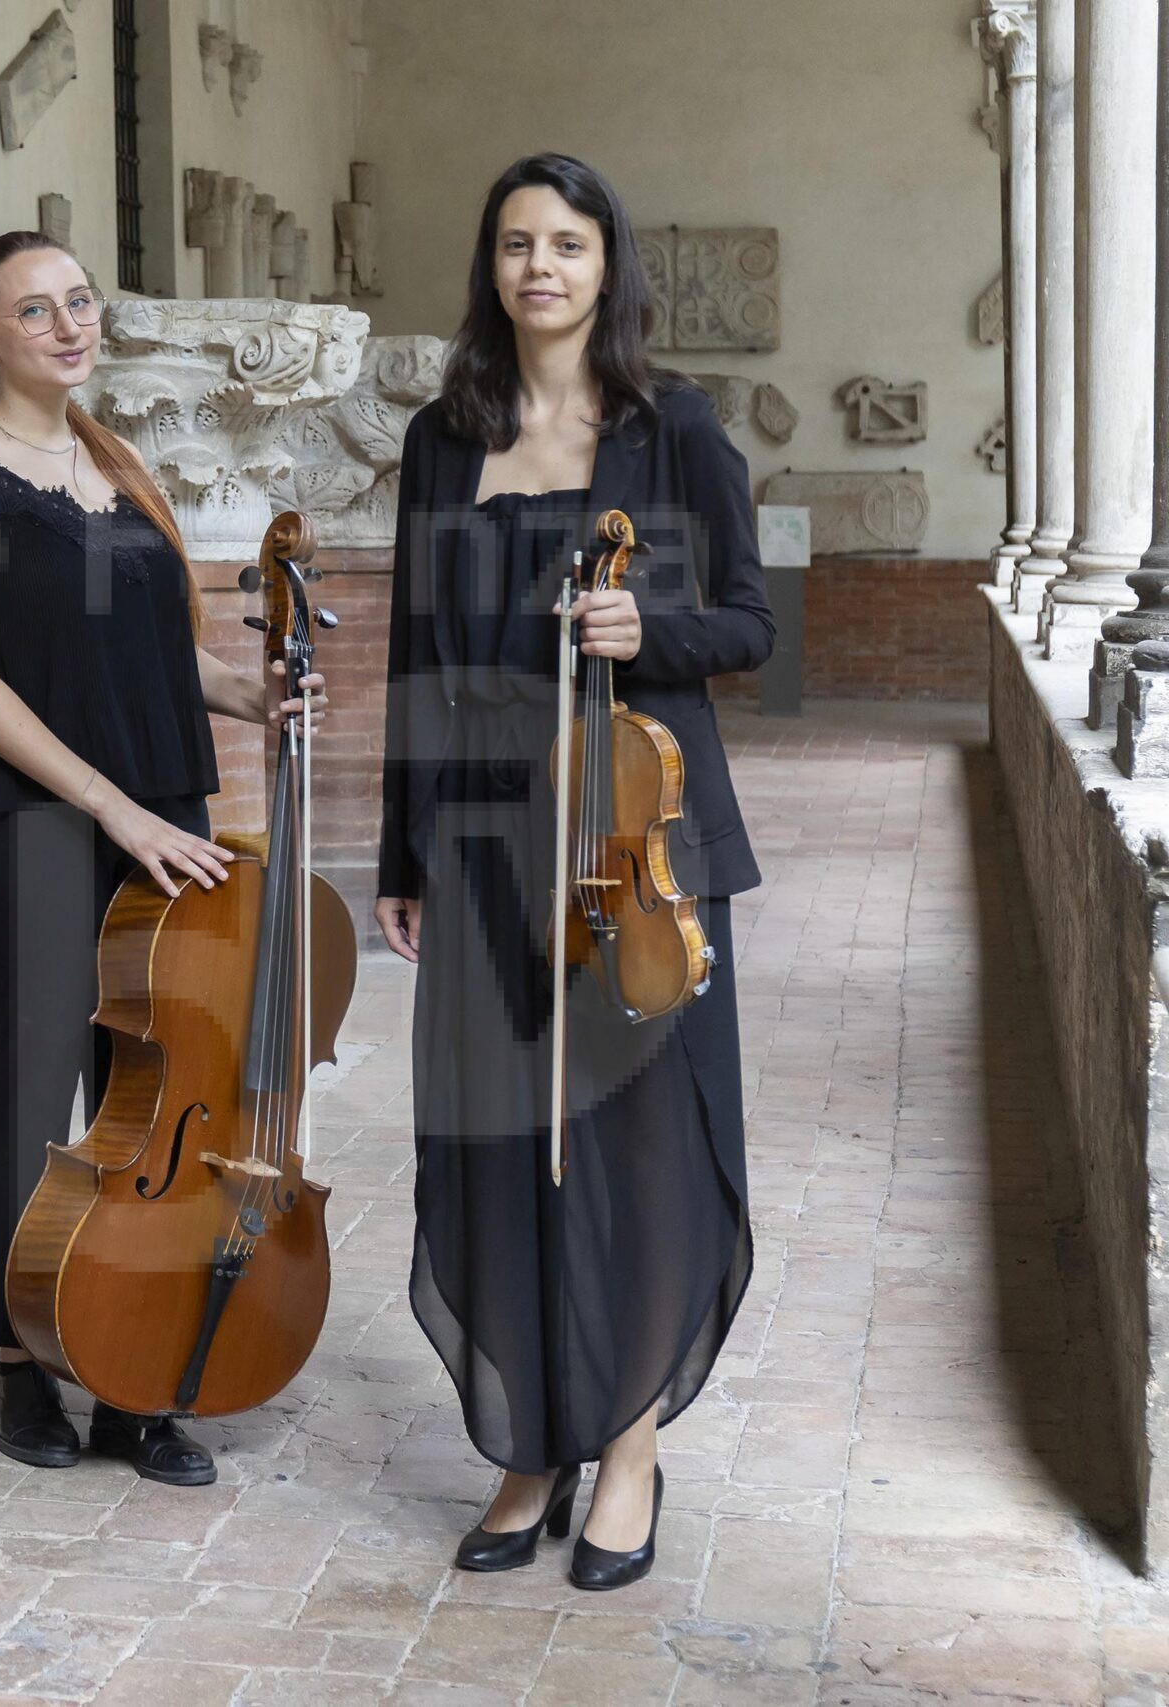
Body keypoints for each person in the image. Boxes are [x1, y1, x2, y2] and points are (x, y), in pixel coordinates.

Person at [374, 153, 771, 1590]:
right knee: (500, 1142)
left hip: (630, 835)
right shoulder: (443, 437)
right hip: (482, 835)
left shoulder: (674, 428)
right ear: (490, 266)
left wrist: (646, 636)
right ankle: (531, 1443)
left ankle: (628, 1445)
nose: (538, 266)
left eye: (566, 244)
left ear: (609, 267)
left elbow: (752, 623)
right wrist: (402, 849)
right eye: (515, 244)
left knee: (635, 1139)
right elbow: (415, 650)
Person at [0, 231, 325, 1488]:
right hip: (32, 811)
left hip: (159, 795)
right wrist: (111, 810)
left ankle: (137, 1371)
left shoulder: (118, 461)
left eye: (79, 301)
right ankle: (23, 1360)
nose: (67, 325)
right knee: (39, 1078)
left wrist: (252, 696)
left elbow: (158, 652)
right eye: (34, 311)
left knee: (157, 1080)